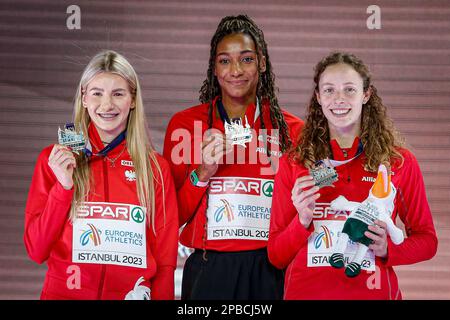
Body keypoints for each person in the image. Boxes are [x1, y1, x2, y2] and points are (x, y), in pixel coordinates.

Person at [267, 52, 438, 299]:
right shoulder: (294, 163)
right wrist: (302, 220)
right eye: (329, 90)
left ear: (366, 95)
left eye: (349, 90)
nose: (339, 99)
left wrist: (388, 249)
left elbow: (427, 241)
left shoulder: (397, 162)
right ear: (318, 97)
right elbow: (276, 255)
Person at [163, 15, 303, 300]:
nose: (235, 70)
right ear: (214, 68)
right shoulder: (186, 125)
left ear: (262, 64)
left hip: (273, 267)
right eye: (225, 61)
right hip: (209, 268)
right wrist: (202, 173)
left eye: (246, 59)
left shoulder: (294, 131)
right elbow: (171, 216)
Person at [24, 50, 178, 300]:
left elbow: (165, 261)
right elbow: (36, 250)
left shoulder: (156, 169)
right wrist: (63, 188)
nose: (107, 105)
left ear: (133, 99)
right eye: (97, 93)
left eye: (118, 94)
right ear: (84, 98)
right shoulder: (54, 161)